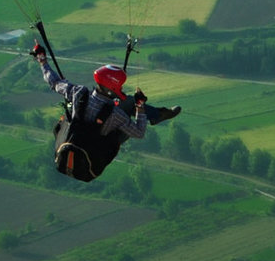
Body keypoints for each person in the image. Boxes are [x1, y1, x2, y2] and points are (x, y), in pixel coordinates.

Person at [31, 42, 180, 181]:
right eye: (120, 87)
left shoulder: (78, 93)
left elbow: (55, 82)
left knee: (127, 103)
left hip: (72, 139)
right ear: (113, 89)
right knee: (130, 103)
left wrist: (42, 60)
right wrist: (140, 105)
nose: (121, 89)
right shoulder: (116, 115)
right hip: (97, 149)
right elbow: (139, 133)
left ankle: (157, 115)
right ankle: (157, 115)